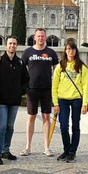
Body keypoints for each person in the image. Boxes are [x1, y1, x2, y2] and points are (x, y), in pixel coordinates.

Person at [0, 36, 29, 165]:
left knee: (10, 127)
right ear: (6, 45)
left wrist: (21, 91)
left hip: (14, 101)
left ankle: (6, 150)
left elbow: (26, 80)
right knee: (1, 126)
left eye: (14, 44)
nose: (12, 46)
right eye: (10, 44)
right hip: (1, 101)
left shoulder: (20, 63)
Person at [21, 28, 59, 157]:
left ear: (45, 37)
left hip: (47, 89)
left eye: (42, 36)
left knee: (46, 116)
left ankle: (46, 147)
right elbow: (22, 70)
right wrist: (24, 86)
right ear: (34, 37)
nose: (40, 38)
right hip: (32, 89)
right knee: (31, 117)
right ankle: (28, 147)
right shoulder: (28, 52)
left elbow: (57, 71)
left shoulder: (51, 53)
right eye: (38, 36)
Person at [51, 40, 88, 163]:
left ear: (76, 51)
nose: (70, 51)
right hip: (63, 100)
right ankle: (67, 149)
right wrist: (55, 103)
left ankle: (72, 151)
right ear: (65, 51)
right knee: (63, 126)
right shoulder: (60, 66)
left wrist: (85, 104)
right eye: (68, 49)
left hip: (76, 100)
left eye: (72, 49)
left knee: (75, 126)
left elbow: (85, 86)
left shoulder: (82, 67)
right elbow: (54, 85)